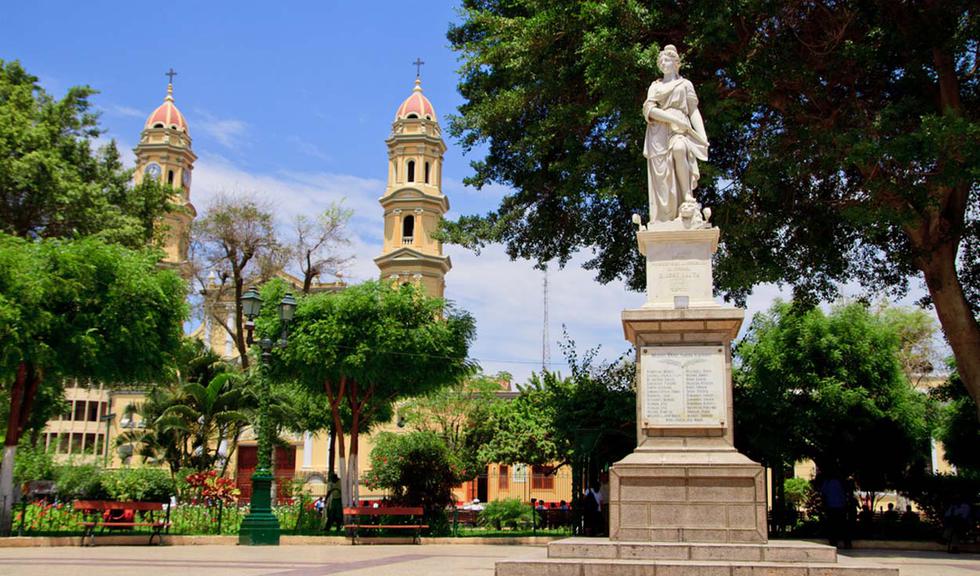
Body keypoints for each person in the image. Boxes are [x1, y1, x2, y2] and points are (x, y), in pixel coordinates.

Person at [643, 44, 709, 224]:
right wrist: (671, 119)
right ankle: (666, 216)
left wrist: (702, 136)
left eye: (667, 59)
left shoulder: (685, 84)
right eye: (661, 61)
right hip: (659, 132)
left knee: (680, 149)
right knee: (662, 178)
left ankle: (688, 196)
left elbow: (694, 111)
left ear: (676, 62)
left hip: (680, 130)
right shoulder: (655, 86)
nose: (663, 63)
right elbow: (649, 110)